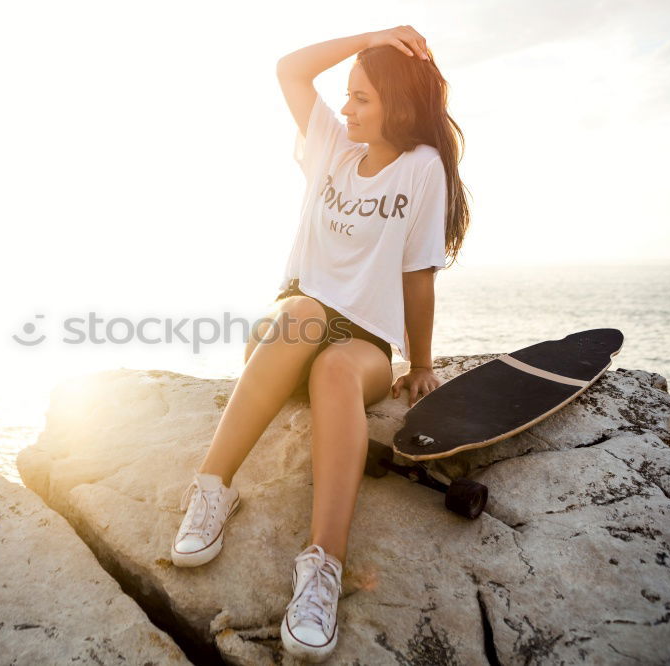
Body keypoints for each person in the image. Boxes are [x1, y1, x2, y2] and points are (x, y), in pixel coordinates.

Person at [169, 25, 471, 663]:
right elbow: (289, 67)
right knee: (303, 313)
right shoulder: (331, 145)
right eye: (348, 95)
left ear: (401, 107)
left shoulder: (423, 170)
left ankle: (321, 569)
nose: (347, 108)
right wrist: (378, 34)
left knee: (336, 369)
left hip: (362, 347)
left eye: (362, 98)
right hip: (292, 325)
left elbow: (417, 277)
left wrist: (419, 365)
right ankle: (212, 490)